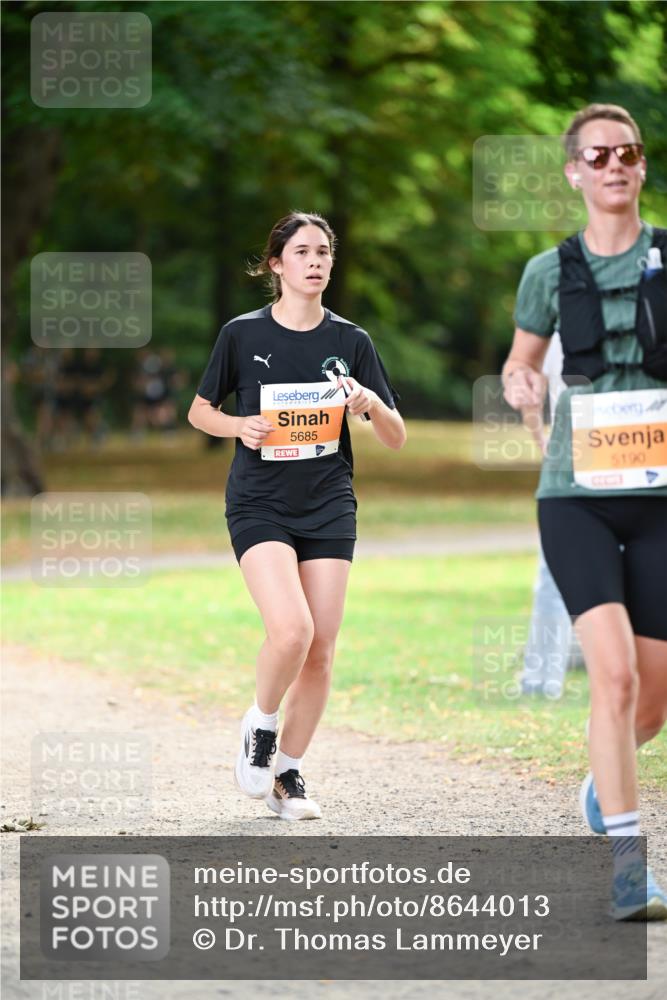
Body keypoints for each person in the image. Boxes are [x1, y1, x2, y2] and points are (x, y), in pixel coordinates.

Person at [503, 104, 667, 920]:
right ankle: (629, 868)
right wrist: (522, 388)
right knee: (612, 673)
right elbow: (519, 364)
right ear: (574, 171)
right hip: (576, 497)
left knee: (654, 698)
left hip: (661, 499)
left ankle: (602, 784)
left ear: (641, 167)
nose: (613, 165)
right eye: (597, 154)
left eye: (627, 153)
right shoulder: (545, 271)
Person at [188, 212, 406, 820]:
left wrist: (368, 403)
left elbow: (395, 436)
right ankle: (260, 726)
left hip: (329, 502)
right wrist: (238, 425)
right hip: (259, 500)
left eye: (325, 252)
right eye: (303, 252)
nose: (316, 262)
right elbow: (200, 411)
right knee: (292, 630)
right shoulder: (241, 334)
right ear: (277, 264)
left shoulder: (350, 342)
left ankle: (288, 773)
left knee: (322, 648)